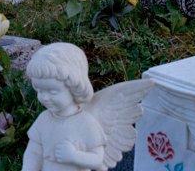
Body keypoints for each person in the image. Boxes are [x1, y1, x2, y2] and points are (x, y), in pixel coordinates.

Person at [22, 43, 149, 171]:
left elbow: (97, 159)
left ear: (74, 87)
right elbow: (34, 152)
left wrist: (74, 156)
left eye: (52, 91)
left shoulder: (86, 123)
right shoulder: (43, 119)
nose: (44, 97)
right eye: (40, 90)